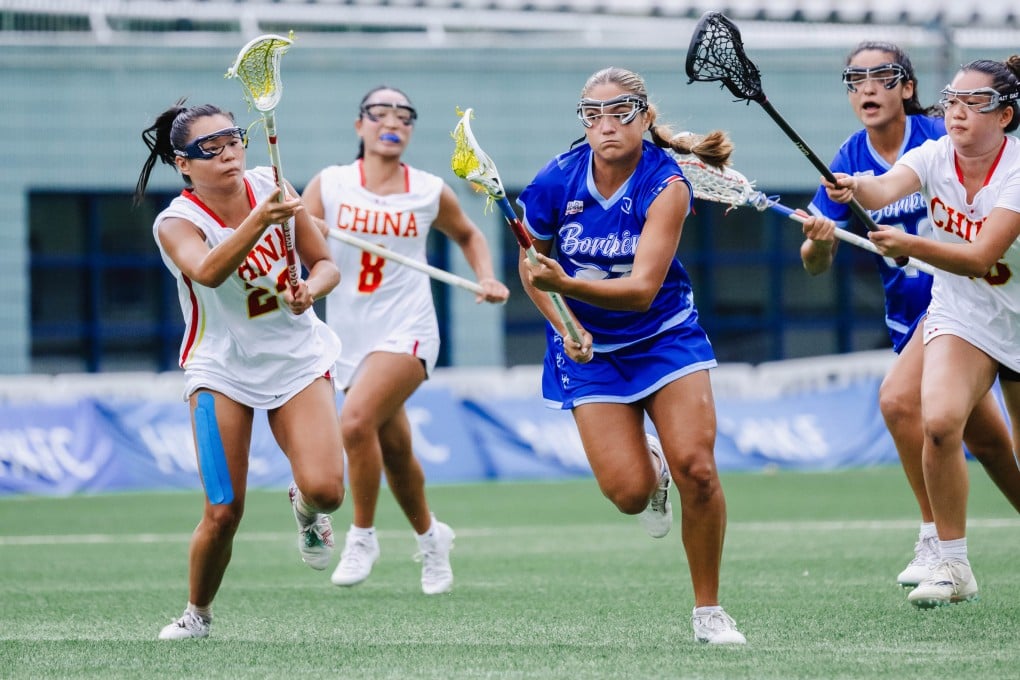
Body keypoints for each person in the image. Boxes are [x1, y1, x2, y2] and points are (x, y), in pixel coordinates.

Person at [515, 67, 745, 644]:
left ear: (645, 116)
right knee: (628, 495)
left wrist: (565, 286)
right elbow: (530, 267)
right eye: (592, 115)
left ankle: (708, 611)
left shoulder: (665, 185)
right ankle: (651, 470)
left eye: (620, 112)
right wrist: (561, 319)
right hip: (589, 349)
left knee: (698, 467)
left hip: (664, 335)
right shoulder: (555, 180)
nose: (606, 125)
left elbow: (643, 288)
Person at [799, 43, 1020, 590]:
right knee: (938, 422)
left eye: (975, 101)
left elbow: (978, 257)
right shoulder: (932, 155)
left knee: (999, 447)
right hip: (962, 312)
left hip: (1010, 309)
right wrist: (855, 188)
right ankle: (950, 560)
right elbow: (885, 185)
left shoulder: (1015, 171)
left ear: (1005, 116)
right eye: (954, 100)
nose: (958, 110)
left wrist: (909, 245)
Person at [135, 99, 346, 639]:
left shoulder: (273, 185)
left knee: (327, 491)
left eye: (233, 139)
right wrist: (262, 217)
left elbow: (325, 267)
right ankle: (197, 615)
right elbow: (206, 271)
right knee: (224, 510)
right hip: (219, 370)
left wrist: (307, 294)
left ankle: (304, 509)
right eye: (210, 148)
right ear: (183, 163)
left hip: (297, 360)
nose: (227, 153)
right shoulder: (176, 222)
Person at [303, 86, 509, 595]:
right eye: (379, 113)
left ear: (411, 129)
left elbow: (467, 234)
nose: (392, 121)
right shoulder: (329, 185)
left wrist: (486, 276)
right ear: (360, 126)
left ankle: (363, 535)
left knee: (354, 422)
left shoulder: (428, 190)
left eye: (404, 115)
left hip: (409, 330)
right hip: (350, 337)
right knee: (393, 449)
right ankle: (431, 538)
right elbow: (295, 243)